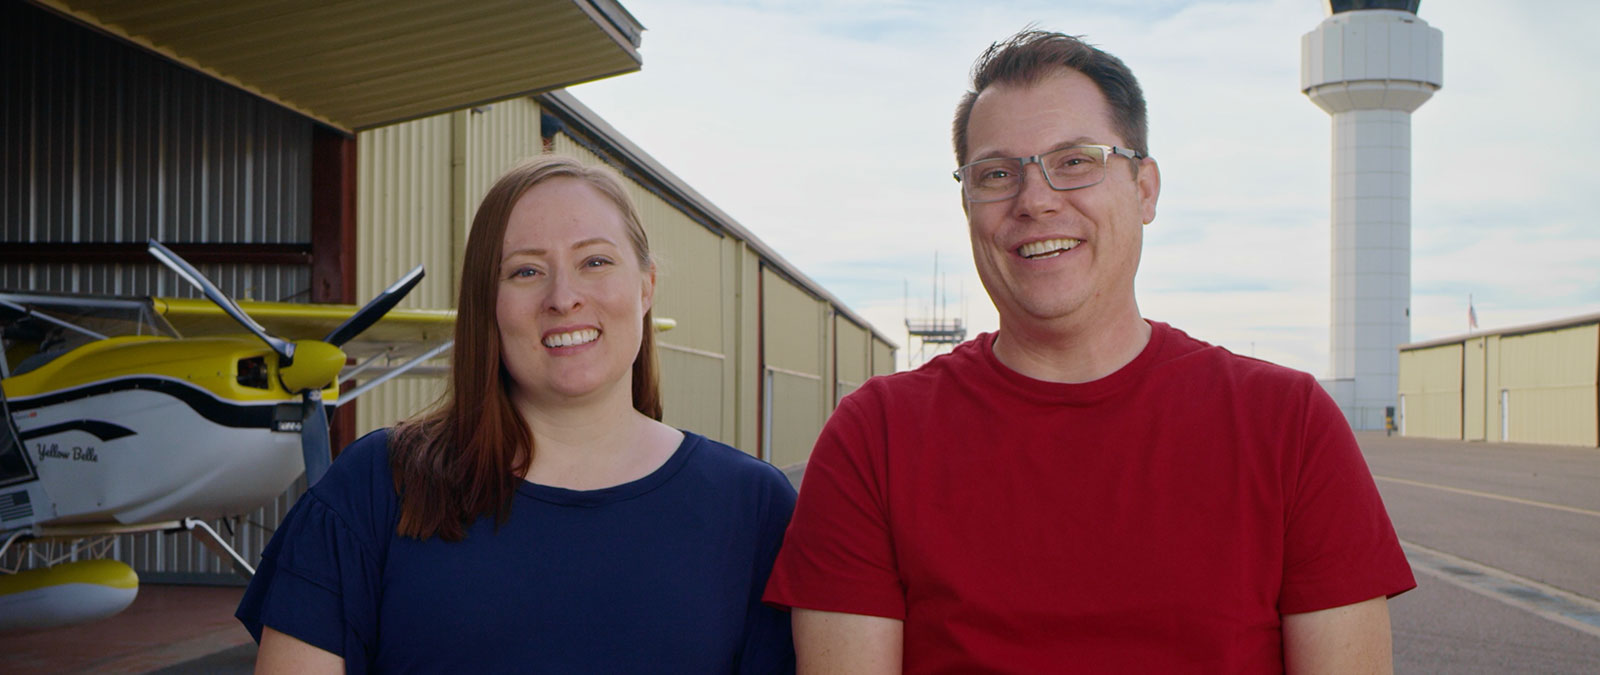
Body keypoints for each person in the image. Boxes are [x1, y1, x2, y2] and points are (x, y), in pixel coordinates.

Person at [763, 30, 1415, 673]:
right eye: (996, 173)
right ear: (967, 205)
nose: (1035, 200)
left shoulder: (1288, 424)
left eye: (1075, 160)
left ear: (1145, 188)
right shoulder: (874, 437)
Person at [238, 155, 797, 673]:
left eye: (595, 261)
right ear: (488, 303)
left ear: (646, 287)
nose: (563, 296)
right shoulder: (376, 489)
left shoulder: (753, 509)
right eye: (526, 271)